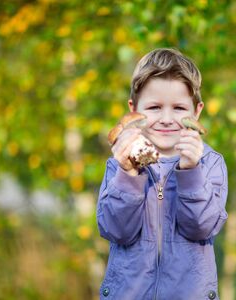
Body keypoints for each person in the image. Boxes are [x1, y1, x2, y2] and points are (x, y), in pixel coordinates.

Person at [97, 48, 228, 300]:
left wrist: (191, 173)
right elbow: (116, 230)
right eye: (155, 107)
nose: (167, 119)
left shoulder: (209, 163)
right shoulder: (119, 165)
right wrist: (128, 176)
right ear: (134, 108)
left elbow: (201, 227)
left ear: (196, 112)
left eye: (179, 108)